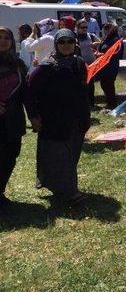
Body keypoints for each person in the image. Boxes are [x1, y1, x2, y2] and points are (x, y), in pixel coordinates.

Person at [26, 29, 91, 205]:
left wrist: (86, 116)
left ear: (75, 43)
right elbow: (29, 92)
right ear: (56, 44)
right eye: (62, 42)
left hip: (76, 118)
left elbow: (83, 91)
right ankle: (69, 192)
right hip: (53, 119)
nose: (66, 45)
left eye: (70, 41)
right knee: (58, 155)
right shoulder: (46, 66)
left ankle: (61, 186)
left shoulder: (78, 63)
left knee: (71, 155)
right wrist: (33, 117)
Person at [0, 27, 29, 206]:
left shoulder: (18, 65)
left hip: (13, 119)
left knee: (10, 155)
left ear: (12, 42)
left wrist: (34, 116)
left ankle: (0, 192)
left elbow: (26, 93)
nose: (2, 41)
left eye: (6, 38)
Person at [96, 23, 122, 109]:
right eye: (105, 28)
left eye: (107, 28)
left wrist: (102, 55)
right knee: (104, 83)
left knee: (109, 84)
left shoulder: (115, 39)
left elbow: (114, 53)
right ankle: (109, 102)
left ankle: (112, 104)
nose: (105, 30)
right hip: (104, 65)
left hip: (111, 65)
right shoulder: (107, 38)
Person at [76, 19, 99, 107]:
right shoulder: (75, 37)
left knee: (91, 84)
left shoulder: (91, 35)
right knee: (82, 84)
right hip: (80, 64)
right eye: (82, 27)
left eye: (86, 27)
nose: (85, 29)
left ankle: (91, 102)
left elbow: (100, 42)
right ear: (77, 28)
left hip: (91, 64)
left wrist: (95, 44)